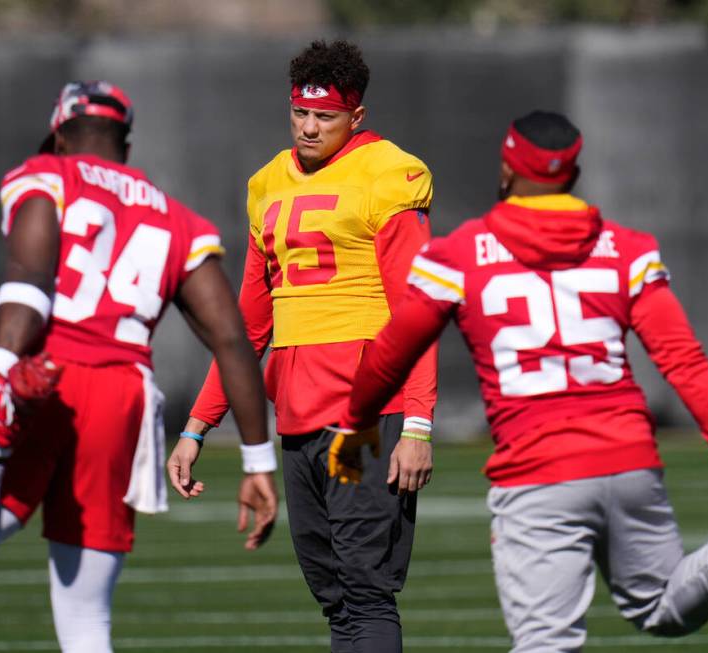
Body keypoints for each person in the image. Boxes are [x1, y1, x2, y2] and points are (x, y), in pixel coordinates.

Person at [331, 111, 708, 652]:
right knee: (661, 606)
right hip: (629, 460)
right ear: (572, 173)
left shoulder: (457, 255)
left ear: (506, 169)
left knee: (545, 642)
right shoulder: (627, 248)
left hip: (538, 469)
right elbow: (684, 361)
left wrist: (357, 423)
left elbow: (390, 352)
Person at [0, 80, 278, 653]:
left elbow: (29, 280)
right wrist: (257, 459)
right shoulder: (178, 219)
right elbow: (232, 337)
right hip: (123, 395)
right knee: (87, 623)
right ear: (124, 146)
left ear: (59, 135)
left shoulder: (48, 175)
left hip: (42, 378)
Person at [168, 39, 437, 653]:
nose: (310, 128)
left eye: (326, 117)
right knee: (335, 597)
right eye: (301, 113)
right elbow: (247, 327)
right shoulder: (267, 183)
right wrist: (197, 425)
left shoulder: (389, 173)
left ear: (356, 118)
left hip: (366, 419)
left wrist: (418, 425)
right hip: (296, 416)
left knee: (366, 593)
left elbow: (418, 312)